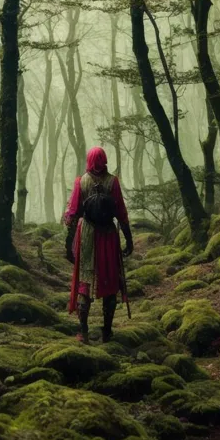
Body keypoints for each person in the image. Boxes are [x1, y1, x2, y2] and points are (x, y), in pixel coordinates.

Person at [64, 146, 133, 344]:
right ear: (104, 160)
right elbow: (121, 212)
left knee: (85, 282)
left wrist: (68, 244)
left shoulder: (81, 181)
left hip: (87, 235)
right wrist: (128, 239)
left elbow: (73, 213)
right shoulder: (113, 182)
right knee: (109, 281)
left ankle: (83, 333)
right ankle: (107, 332)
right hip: (108, 236)